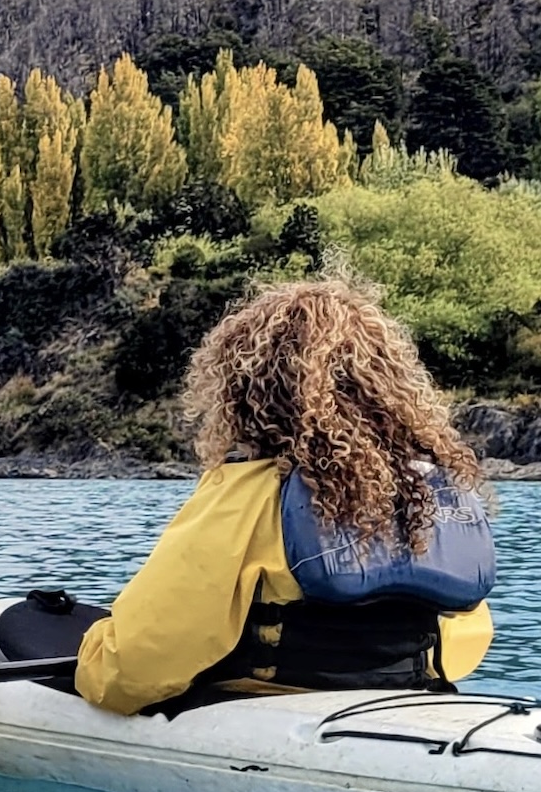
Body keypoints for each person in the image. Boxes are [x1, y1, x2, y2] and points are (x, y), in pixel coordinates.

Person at [75, 279, 495, 716]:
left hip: (268, 710)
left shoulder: (248, 495)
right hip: (408, 702)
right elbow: (466, 642)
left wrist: (93, 660)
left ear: (247, 392)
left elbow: (131, 671)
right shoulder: (430, 490)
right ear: (388, 384)